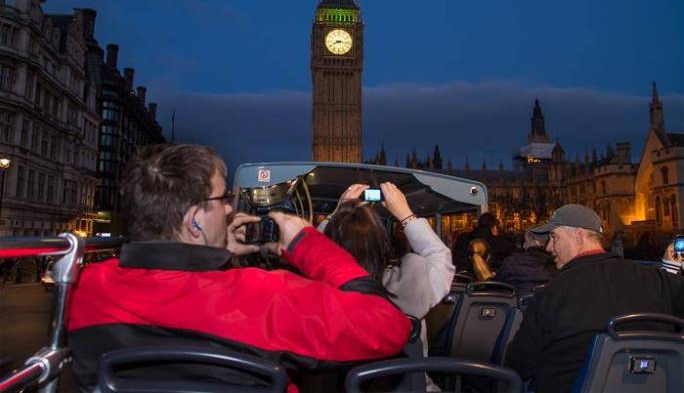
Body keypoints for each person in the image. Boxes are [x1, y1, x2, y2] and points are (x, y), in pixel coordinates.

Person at [66, 144, 411, 391]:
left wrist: (215, 257)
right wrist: (308, 244)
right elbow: (386, 325)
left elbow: (175, 298)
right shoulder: (263, 296)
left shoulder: (84, 288)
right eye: (222, 200)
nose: (231, 210)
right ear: (194, 220)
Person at [506, 204, 684, 393]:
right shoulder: (658, 280)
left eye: (553, 237)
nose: (549, 247)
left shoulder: (551, 294)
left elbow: (518, 364)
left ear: (578, 236)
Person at [319, 182, 455, 391]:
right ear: (382, 244)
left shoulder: (322, 286)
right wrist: (406, 215)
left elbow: (310, 253)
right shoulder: (411, 283)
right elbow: (440, 257)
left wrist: (338, 214)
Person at [495, 230, 556, 296]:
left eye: (526, 242)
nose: (523, 246)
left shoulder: (512, 262)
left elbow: (497, 285)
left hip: (520, 304)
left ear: (534, 242)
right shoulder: (557, 264)